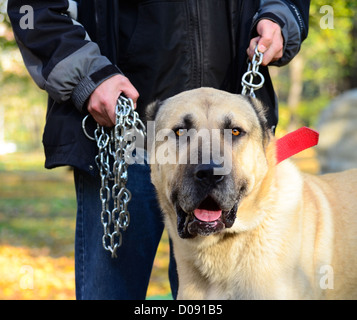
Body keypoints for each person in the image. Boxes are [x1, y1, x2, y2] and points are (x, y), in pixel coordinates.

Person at [7, 0, 310, 300]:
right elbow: (34, 9)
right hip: (124, 134)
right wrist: (88, 74)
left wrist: (280, 17)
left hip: (234, 138)